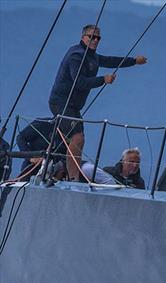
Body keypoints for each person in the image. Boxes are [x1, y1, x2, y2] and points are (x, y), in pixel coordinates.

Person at [48, 24, 147, 180]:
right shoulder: (76, 55)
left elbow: (110, 60)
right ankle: (73, 177)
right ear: (83, 37)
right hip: (61, 102)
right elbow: (78, 81)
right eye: (91, 37)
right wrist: (103, 80)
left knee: (77, 139)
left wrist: (134, 61)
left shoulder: (92, 56)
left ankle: (67, 175)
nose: (95, 40)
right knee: (77, 137)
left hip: (73, 106)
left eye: (98, 38)